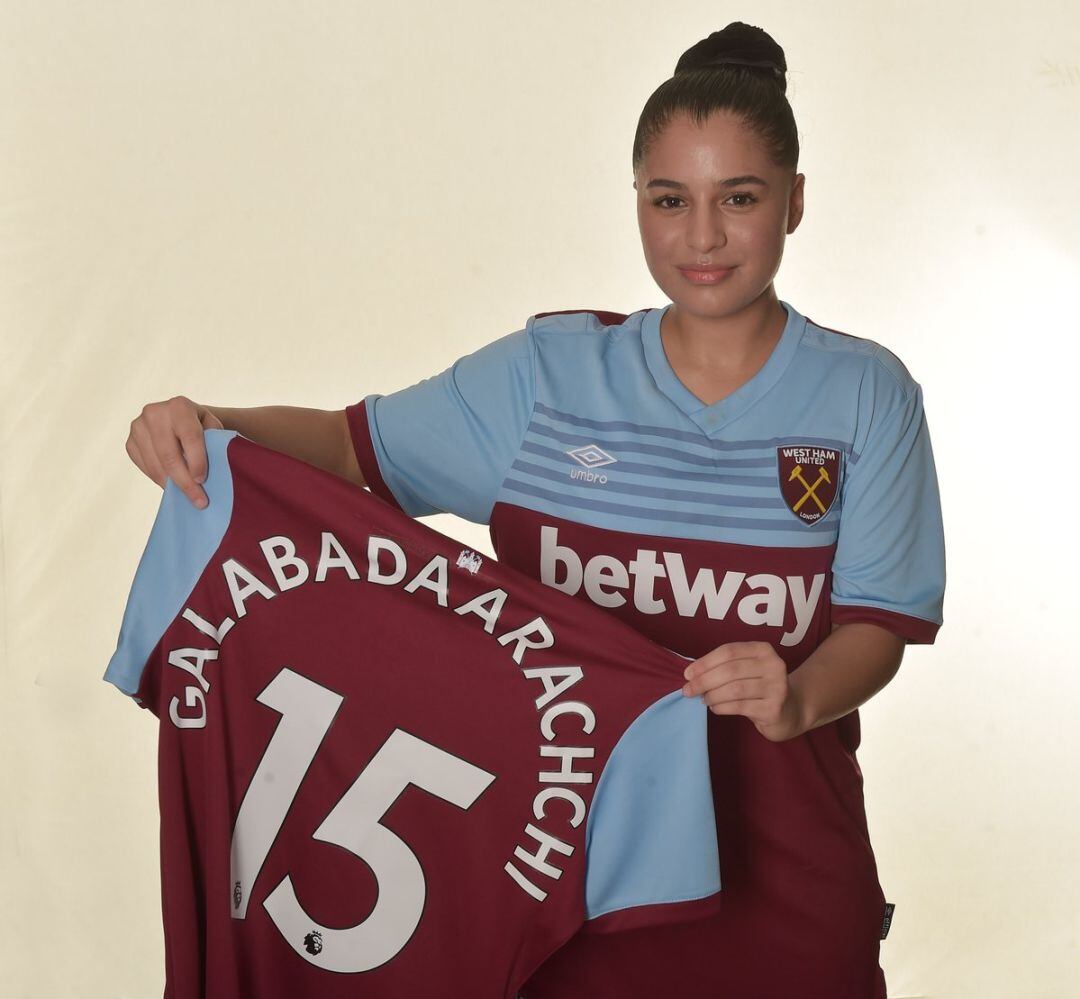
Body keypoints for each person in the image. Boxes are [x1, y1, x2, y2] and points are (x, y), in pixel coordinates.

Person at [126, 20, 945, 999]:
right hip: (562, 898)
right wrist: (208, 425)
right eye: (670, 200)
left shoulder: (865, 395)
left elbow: (877, 628)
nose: (703, 237)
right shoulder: (550, 377)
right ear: (636, 200)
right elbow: (351, 447)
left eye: (740, 198)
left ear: (794, 201)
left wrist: (800, 695)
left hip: (786, 899)